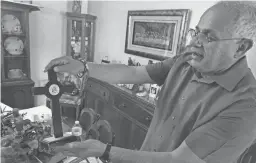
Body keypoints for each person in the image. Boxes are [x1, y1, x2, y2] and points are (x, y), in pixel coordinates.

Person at [45, 1, 256, 163]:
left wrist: (104, 151)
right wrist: (84, 67)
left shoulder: (246, 106)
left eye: (208, 37)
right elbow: (136, 73)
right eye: (197, 32)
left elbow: (178, 160)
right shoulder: (186, 60)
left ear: (240, 48)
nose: (194, 42)